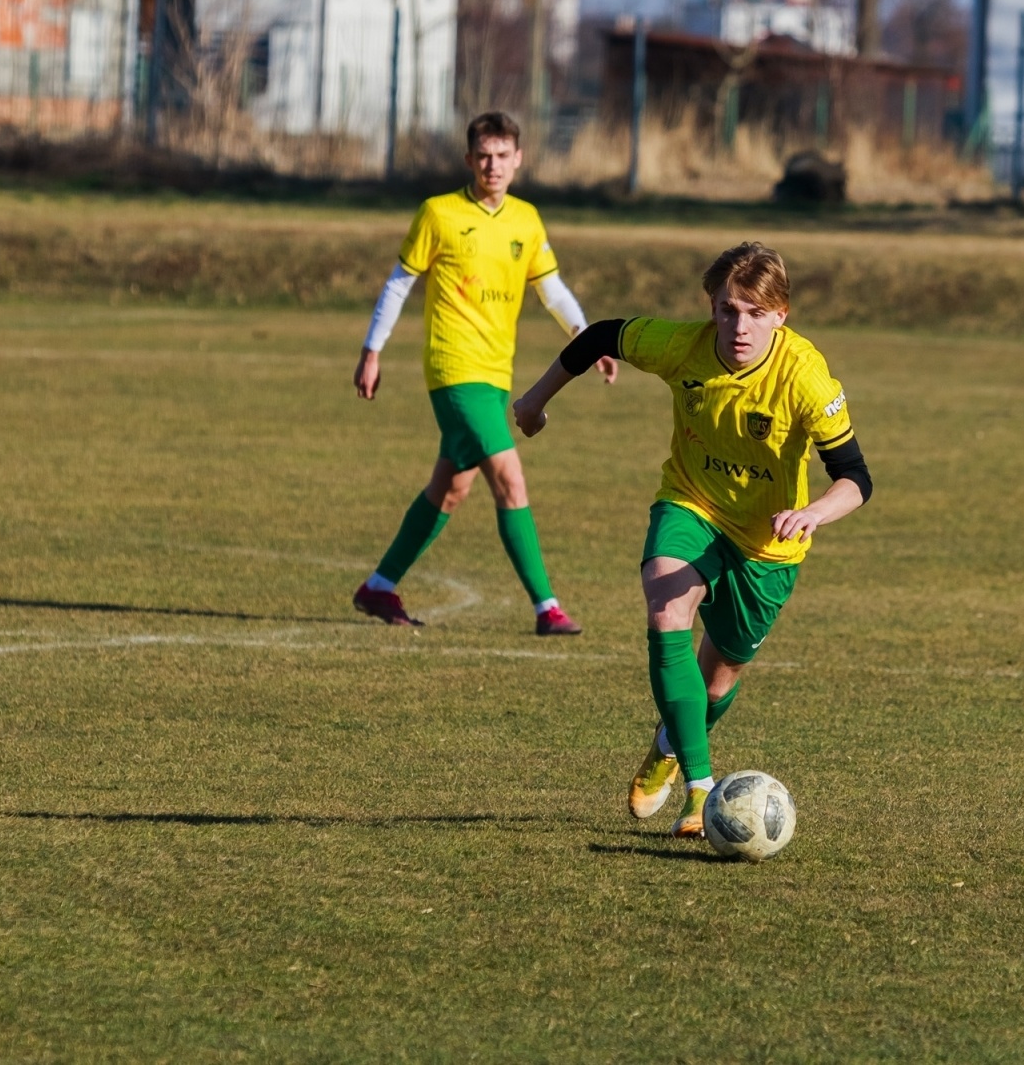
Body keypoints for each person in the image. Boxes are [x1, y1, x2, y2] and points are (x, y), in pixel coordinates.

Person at [511, 243, 873, 836]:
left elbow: (856, 477)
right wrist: (534, 400)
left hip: (768, 545)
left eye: (756, 313)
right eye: (728, 310)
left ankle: (669, 745)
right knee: (666, 602)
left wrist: (814, 512)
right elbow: (602, 335)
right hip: (691, 502)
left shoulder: (806, 376)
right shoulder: (682, 345)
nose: (739, 326)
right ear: (712, 306)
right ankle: (702, 791)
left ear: (781, 315)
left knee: (719, 679)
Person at [351, 110, 616, 634]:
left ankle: (379, 588)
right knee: (510, 480)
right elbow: (400, 282)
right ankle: (547, 609)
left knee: (449, 489)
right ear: (469, 159)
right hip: (453, 369)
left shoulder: (526, 219)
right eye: (483, 156)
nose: (492, 165)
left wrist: (586, 337)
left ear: (518, 159)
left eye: (502, 156)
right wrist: (372, 349)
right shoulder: (439, 213)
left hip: (497, 374)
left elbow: (551, 287)